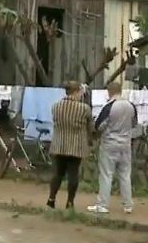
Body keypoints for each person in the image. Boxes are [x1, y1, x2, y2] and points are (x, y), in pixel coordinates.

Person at [87, 82, 137, 214]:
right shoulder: (131, 106)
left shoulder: (109, 107)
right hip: (126, 144)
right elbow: (134, 124)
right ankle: (128, 205)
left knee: (106, 174)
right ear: (120, 90)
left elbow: (99, 126)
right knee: (125, 174)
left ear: (109, 92)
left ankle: (102, 205)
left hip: (109, 144)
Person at [47, 81, 93, 210]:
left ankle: (51, 199)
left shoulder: (56, 106)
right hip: (76, 146)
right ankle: (70, 202)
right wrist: (90, 140)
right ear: (77, 92)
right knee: (73, 174)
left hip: (58, 144)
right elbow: (91, 127)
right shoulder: (84, 109)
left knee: (57, 174)